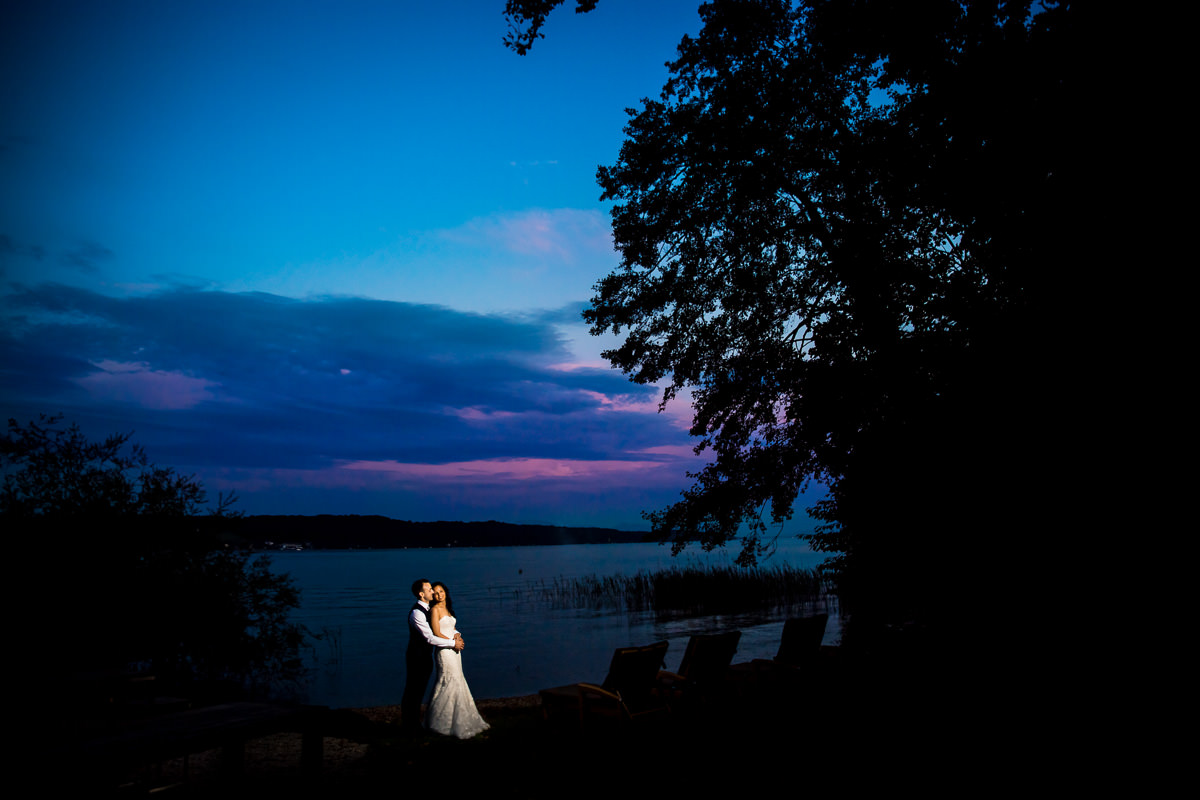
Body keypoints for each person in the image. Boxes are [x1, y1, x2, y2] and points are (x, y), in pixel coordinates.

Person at [424, 581, 490, 739]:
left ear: (446, 592)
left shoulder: (447, 609)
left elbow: (451, 627)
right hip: (445, 652)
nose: (439, 595)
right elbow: (436, 632)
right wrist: (453, 643)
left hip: (455, 651)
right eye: (436, 592)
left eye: (442, 591)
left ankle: (462, 718)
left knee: (459, 679)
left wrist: (458, 635)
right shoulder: (434, 610)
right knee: (448, 680)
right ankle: (439, 723)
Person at [402, 578, 463, 734]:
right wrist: (452, 643)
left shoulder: (430, 609)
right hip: (416, 658)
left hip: (426, 657)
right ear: (422, 594)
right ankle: (410, 726)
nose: (433, 592)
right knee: (413, 691)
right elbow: (429, 637)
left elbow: (445, 625)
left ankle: (415, 724)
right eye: (429, 590)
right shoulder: (417, 613)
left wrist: (456, 635)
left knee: (420, 690)